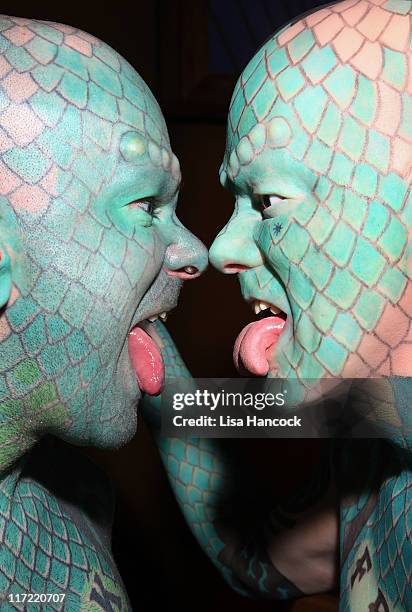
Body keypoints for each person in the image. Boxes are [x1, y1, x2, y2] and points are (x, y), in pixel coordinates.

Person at [143, 1, 411, 609]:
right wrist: (152, 359)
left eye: (266, 201)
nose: (222, 249)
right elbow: (255, 560)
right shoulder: (367, 438)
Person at [0, 14, 207, 608]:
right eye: (145, 204)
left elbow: (261, 556)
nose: (197, 251)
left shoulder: (74, 495)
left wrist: (362, 404)